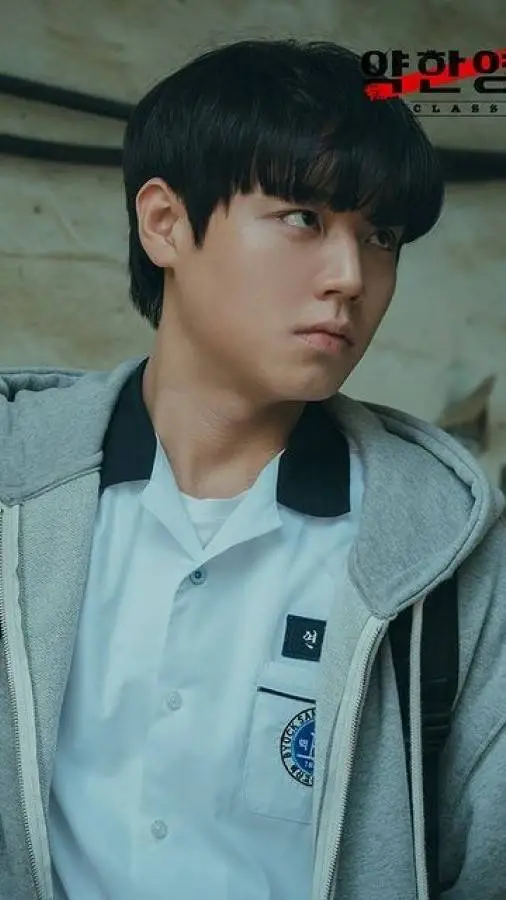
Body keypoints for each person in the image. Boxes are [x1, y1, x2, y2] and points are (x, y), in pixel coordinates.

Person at [0, 38, 504, 900]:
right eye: (303, 218)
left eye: (381, 237)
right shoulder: (16, 492)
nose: (351, 277)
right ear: (165, 223)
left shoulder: (448, 553)